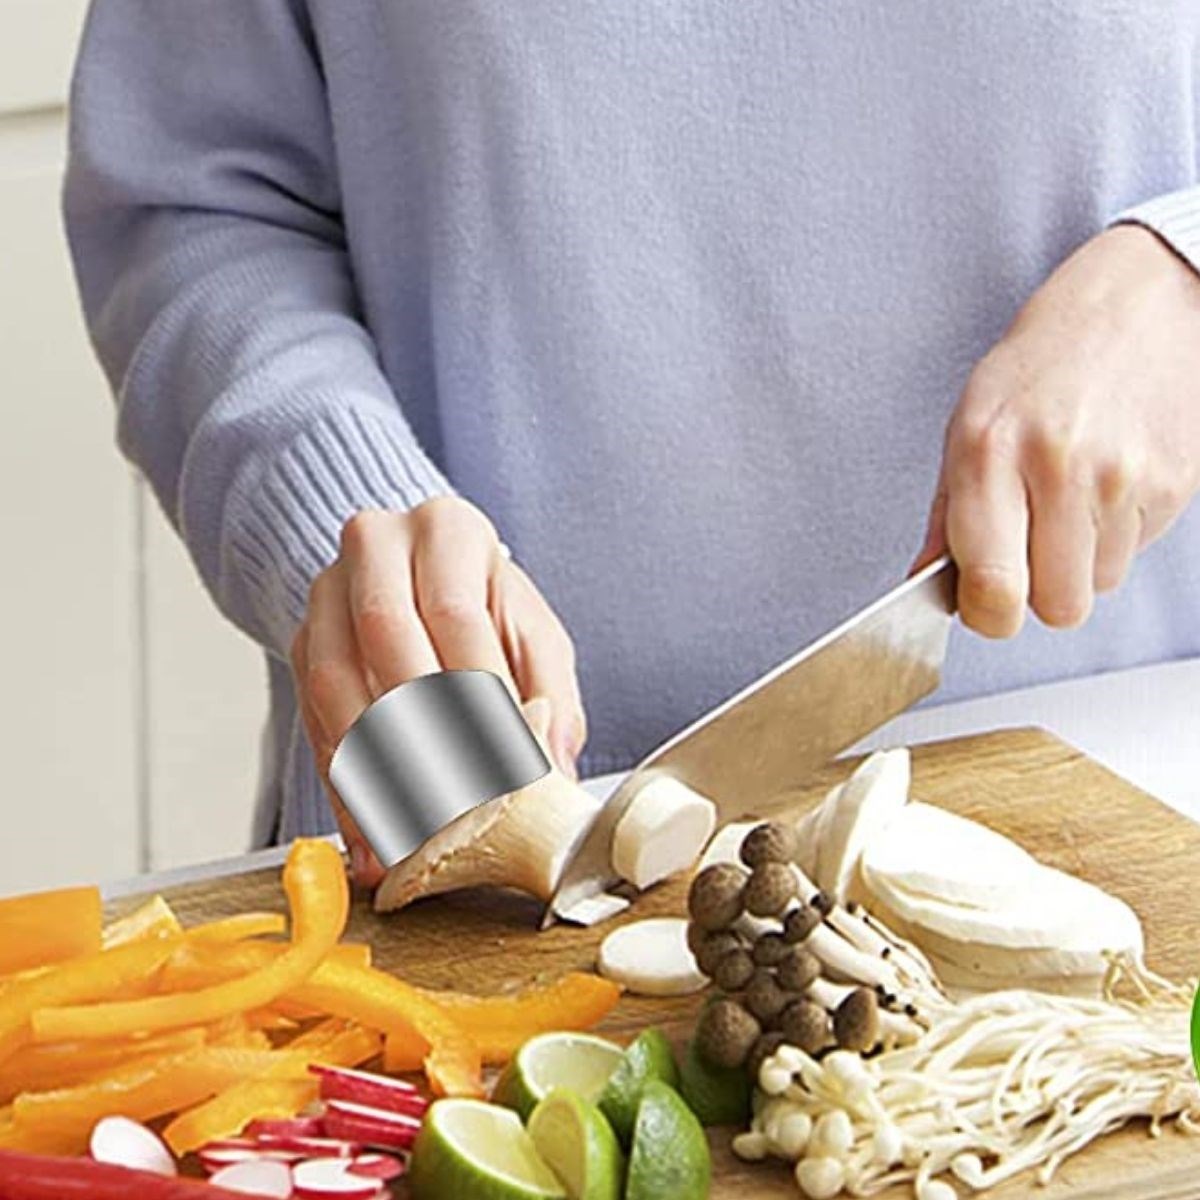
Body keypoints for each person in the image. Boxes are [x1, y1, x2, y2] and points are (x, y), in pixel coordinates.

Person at [65, 3, 1200, 885]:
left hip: (1133, 788)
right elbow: (196, 208)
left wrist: (1185, 272)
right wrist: (340, 506)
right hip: (479, 838)